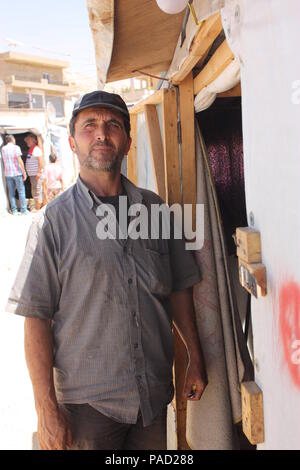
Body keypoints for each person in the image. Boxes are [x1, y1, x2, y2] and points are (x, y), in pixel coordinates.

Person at [6, 90, 207, 451]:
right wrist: (45, 409)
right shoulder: (54, 222)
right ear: (72, 142)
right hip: (87, 411)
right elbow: (35, 317)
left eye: (113, 125)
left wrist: (194, 355)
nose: (102, 133)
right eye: (90, 126)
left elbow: (178, 288)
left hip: (151, 401)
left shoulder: (155, 210)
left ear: (128, 142)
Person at [1, 135, 29, 215]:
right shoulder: (16, 147)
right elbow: (19, 160)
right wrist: (24, 172)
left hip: (8, 174)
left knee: (11, 192)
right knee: (21, 191)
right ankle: (24, 210)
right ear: (12, 139)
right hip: (17, 172)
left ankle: (14, 210)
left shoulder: (3, 148)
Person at [24, 133, 44, 211]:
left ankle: (38, 208)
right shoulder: (31, 149)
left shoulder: (36, 149)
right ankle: (37, 207)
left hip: (36, 174)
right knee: (35, 190)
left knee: (37, 190)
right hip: (33, 174)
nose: (27, 143)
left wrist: (39, 172)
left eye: (28, 141)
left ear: (33, 140)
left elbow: (40, 161)